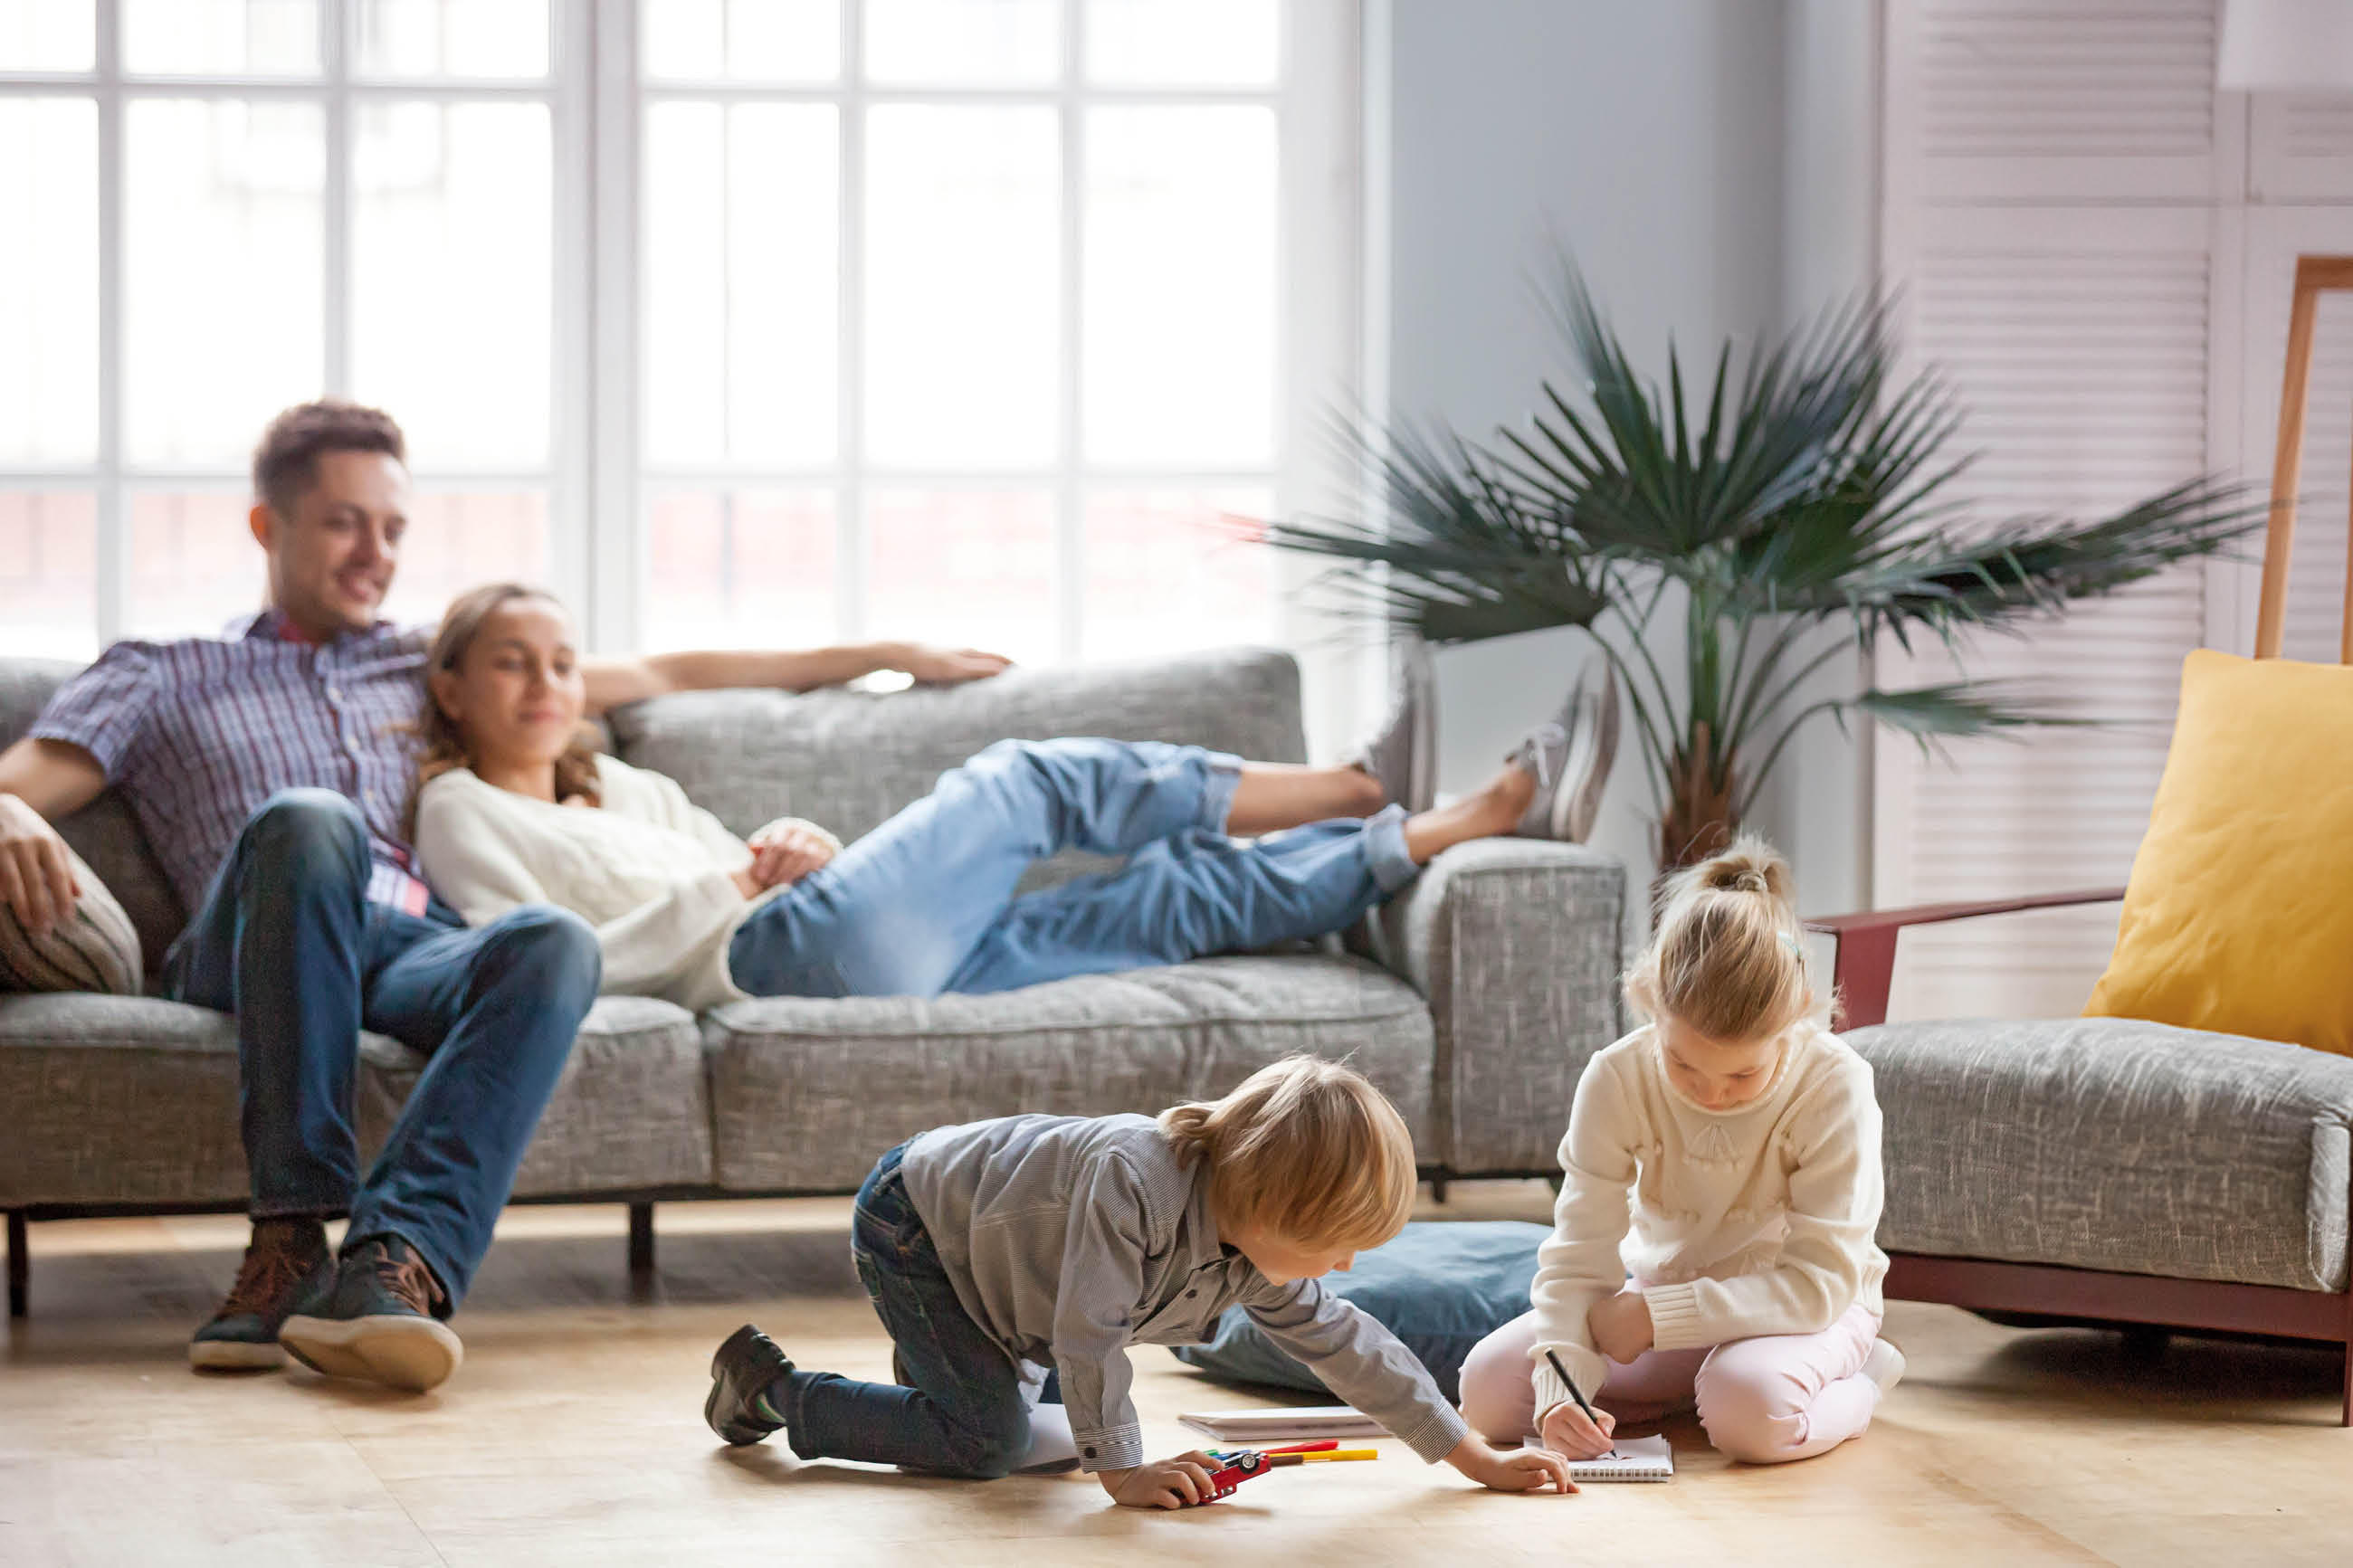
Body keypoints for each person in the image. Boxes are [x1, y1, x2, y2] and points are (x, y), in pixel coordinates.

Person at [0, 401, 1010, 1390]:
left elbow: (672, 667)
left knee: (551, 940)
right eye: (345, 521)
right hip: (254, 940)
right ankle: (288, 1236)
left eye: (392, 527)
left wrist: (885, 653)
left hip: (404, 942)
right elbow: (30, 777)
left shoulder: (425, 658)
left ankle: (395, 1267)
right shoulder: (164, 671)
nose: (375, 551)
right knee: (312, 819)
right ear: (269, 526)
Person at [405, 584, 1595, 1008]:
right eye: (513, 660)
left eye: (562, 661)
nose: (547, 683)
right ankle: (1351, 782)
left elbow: (745, 853)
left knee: (1165, 899)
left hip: (830, 939)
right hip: (770, 958)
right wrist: (734, 886)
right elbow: (531, 963)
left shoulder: (622, 784)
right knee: (1026, 780)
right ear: (451, 687)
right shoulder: (461, 811)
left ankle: (1447, 824)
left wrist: (796, 842)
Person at [700, 1056, 1576, 1505]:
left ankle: (944, 1387)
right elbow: (1090, 1333)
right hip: (920, 1228)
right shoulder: (1135, 1180)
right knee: (991, 1445)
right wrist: (1124, 1470)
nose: (1343, 1267)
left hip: (1009, 1278)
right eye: (1333, 1245)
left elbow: (1352, 1347)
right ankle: (773, 1390)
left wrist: (1476, 1457)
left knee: (1034, 1445)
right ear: (1270, 1207)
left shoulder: (1253, 1251)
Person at [1455, 838, 1902, 1466]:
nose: (1711, 1094)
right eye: (1684, 1064)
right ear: (1649, 1000)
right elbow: (1579, 1256)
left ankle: (1856, 1383)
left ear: (1798, 1020)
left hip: (1807, 1310)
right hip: (1664, 1302)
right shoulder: (1616, 1076)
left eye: (1743, 1076)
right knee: (1486, 1393)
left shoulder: (1836, 1084)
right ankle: (1696, 1390)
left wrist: (1656, 1316)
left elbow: (1818, 1283)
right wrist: (1562, 1392)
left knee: (1750, 1412)